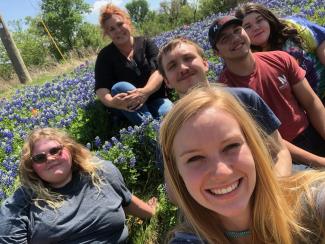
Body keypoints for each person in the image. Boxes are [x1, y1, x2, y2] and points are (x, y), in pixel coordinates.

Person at [159, 86, 325, 243]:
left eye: (231, 146)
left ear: (253, 148)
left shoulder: (312, 202)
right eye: (194, 158)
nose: (222, 172)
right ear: (177, 173)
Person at [157, 37, 292, 177]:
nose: (183, 68)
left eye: (188, 58)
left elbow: (279, 152)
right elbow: (174, 187)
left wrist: (276, 192)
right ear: (167, 81)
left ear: (205, 63)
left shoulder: (245, 99)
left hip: (270, 182)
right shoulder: (169, 128)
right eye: (172, 66)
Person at [0, 128, 157, 243]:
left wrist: (151, 212)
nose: (50, 158)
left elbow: (126, 201)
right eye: (40, 158)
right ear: (31, 166)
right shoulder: (19, 203)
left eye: (55, 150)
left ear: (70, 149)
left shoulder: (102, 173)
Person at [208, 15, 325, 168]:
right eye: (225, 39)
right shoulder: (224, 92)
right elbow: (267, 140)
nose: (235, 38)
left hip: (311, 132)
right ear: (217, 53)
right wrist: (319, 162)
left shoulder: (281, 58)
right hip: (278, 156)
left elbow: (311, 104)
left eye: (237, 30)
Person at [95, 4, 172, 125]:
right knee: (120, 87)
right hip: (127, 107)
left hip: (155, 98)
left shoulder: (146, 43)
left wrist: (145, 92)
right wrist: (111, 102)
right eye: (112, 29)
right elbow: (101, 88)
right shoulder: (105, 55)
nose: (118, 31)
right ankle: (151, 129)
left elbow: (158, 72)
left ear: (128, 23)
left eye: (120, 24)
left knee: (170, 114)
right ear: (107, 34)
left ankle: (151, 127)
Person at [235, 3, 325, 101]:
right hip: (303, 110)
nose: (256, 28)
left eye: (259, 20)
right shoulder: (248, 59)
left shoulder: (291, 27)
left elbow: (321, 41)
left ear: (267, 18)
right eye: (248, 27)